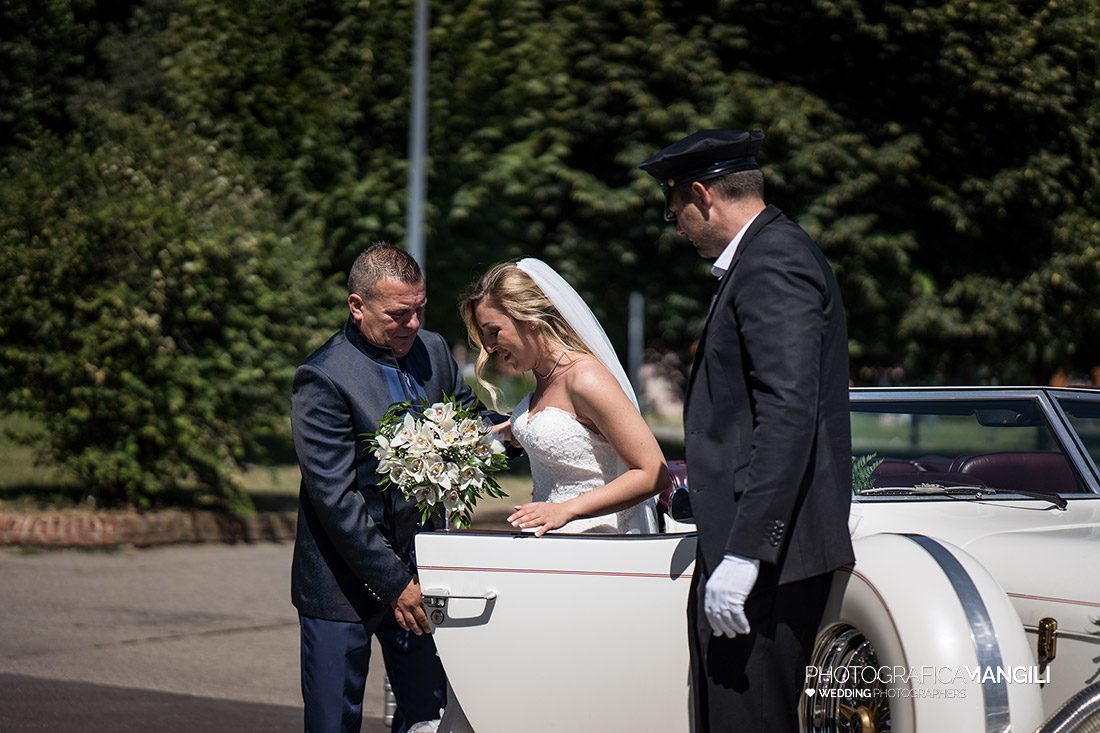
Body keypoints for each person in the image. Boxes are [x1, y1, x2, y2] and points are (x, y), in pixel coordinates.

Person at [640, 130, 854, 731]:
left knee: (749, 717)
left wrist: (746, 551)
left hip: (767, 561)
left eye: (673, 206)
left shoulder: (772, 260)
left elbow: (788, 413)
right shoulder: (763, 257)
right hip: (753, 550)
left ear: (703, 195)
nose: (674, 223)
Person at [290, 243, 483, 733]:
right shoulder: (323, 376)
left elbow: (470, 420)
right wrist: (396, 583)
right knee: (334, 722)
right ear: (357, 307)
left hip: (423, 572)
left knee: (427, 716)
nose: (414, 324)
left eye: (420, 309)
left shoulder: (434, 349)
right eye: (399, 314)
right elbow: (334, 497)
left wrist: (526, 427)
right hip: (342, 584)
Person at [460, 258, 668, 536]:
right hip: (552, 544)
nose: (488, 346)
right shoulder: (544, 377)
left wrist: (567, 509)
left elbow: (653, 472)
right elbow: (569, 430)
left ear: (530, 318)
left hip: (597, 543)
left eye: (494, 332)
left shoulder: (586, 378)